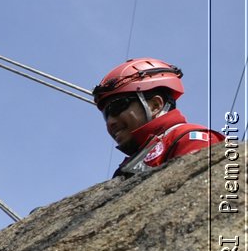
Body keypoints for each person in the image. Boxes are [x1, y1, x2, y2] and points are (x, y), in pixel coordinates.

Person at [94, 58, 224, 177]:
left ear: (155, 105)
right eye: (106, 115)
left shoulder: (192, 140)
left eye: (117, 107)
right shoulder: (132, 162)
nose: (110, 121)